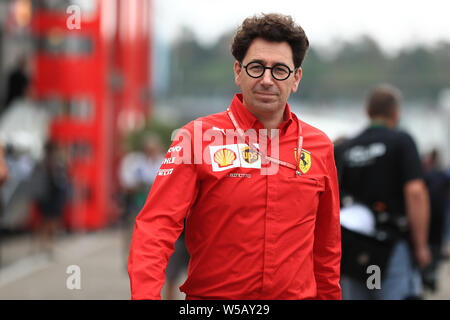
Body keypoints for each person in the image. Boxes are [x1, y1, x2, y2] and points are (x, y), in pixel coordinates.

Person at [128, 13, 341, 300]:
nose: (267, 80)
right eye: (256, 68)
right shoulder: (196, 138)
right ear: (238, 72)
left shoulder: (319, 146)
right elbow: (155, 229)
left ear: (296, 78)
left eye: (280, 70)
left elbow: (326, 248)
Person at [335, 84, 431, 300]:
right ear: (396, 113)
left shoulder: (344, 148)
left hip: (352, 249)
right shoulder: (401, 142)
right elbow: (415, 192)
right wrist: (421, 245)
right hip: (388, 245)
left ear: (367, 111)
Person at [421, 149, 450, 292]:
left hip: (429, 215)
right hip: (437, 215)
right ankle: (430, 275)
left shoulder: (425, 175)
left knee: (430, 244)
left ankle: (428, 275)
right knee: (435, 245)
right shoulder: (441, 175)